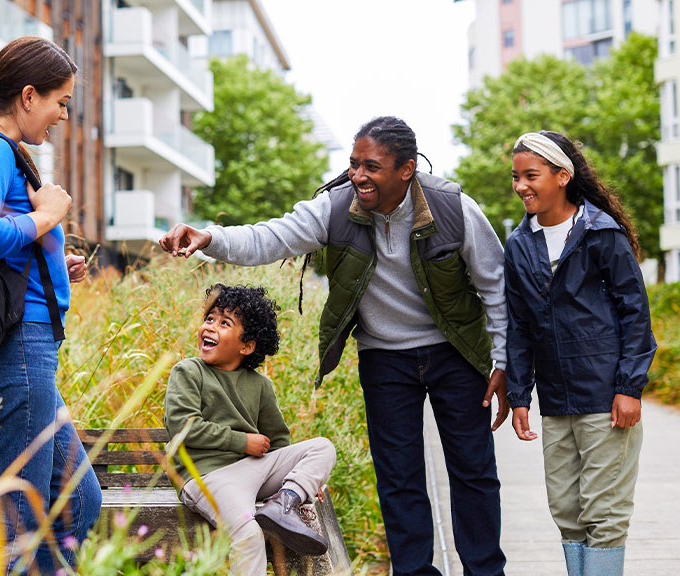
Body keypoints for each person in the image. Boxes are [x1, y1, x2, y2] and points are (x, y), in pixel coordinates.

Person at [160, 116, 510, 576]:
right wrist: (211, 238)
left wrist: (503, 361)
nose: (358, 175)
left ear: (406, 169)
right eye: (353, 164)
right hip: (385, 358)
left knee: (473, 471)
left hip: (455, 352)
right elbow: (271, 236)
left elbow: (495, 284)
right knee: (399, 478)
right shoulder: (336, 207)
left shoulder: (452, 207)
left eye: (372, 166)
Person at [0, 36, 101, 574]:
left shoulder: (1, 151)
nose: (63, 115)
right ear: (29, 96)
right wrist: (47, 217)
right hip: (16, 349)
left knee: (78, 501)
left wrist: (54, 263)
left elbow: (0, 242)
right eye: (61, 102)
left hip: (27, 344)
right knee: (19, 523)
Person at [505, 131, 656, 576]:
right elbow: (519, 325)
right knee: (567, 511)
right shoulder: (519, 245)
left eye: (531, 175)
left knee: (604, 513)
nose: (520, 186)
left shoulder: (601, 233)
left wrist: (629, 387)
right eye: (515, 176)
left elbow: (635, 314)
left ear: (562, 176)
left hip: (605, 396)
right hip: (556, 401)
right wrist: (519, 394)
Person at [164, 283, 336, 575]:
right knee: (248, 535)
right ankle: (281, 507)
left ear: (246, 346)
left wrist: (302, 481)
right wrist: (242, 442)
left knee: (323, 447)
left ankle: (285, 503)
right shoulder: (189, 372)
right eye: (209, 318)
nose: (210, 327)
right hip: (209, 478)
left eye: (224, 323)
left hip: (254, 472)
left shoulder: (260, 385)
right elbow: (183, 427)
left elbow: (279, 442)